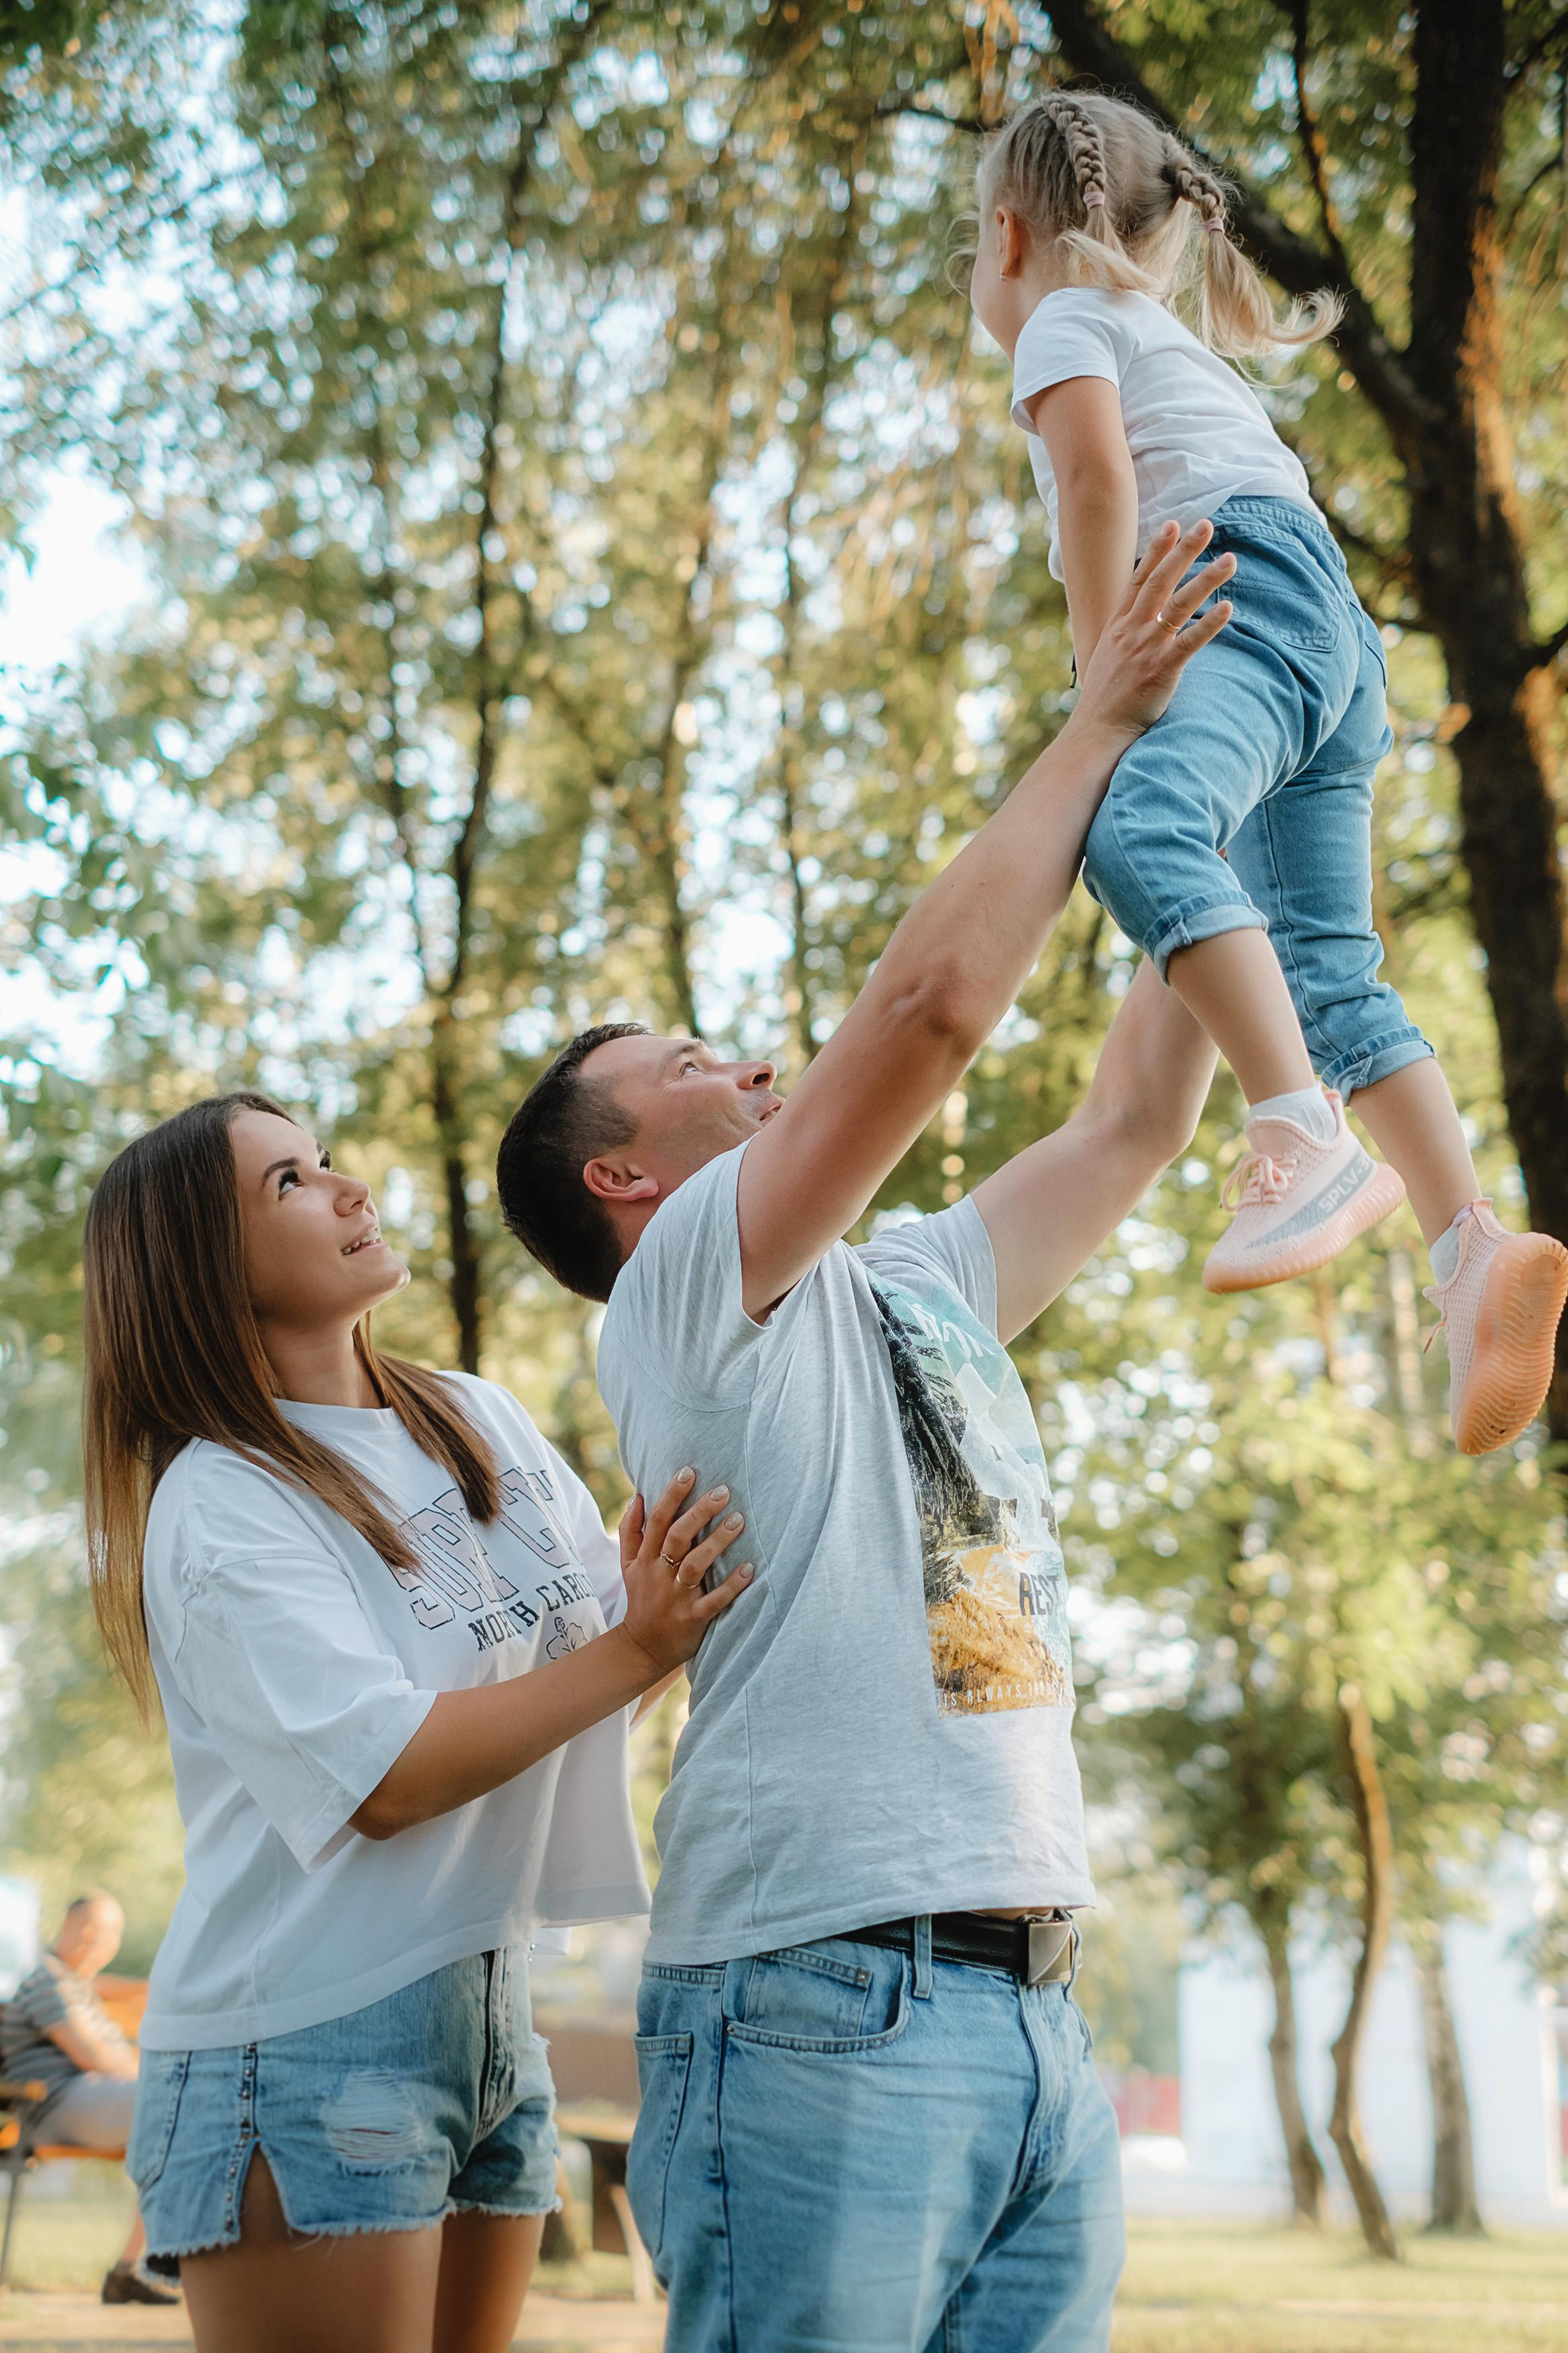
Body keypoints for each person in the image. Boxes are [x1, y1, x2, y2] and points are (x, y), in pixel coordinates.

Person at [493, 526, 1229, 2351]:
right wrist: (1097, 717)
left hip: (1033, 2007)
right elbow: (928, 1012)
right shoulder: (678, 1286)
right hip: (824, 1996)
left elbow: (1134, 1114)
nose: (738, 1057)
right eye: (683, 1059)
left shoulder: (912, 1275)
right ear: (623, 1172)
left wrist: (1225, 794)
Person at [80, 1092, 751, 2353]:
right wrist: (637, 1643)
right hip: (303, 2039)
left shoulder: (469, 1417)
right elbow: (386, 1776)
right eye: (287, 1184)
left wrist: (659, 1623)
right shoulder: (222, 1502)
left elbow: (601, 1660)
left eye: (326, 1160)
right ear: (198, 1265)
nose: (346, 1188)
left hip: (493, 2010)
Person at [968, 88, 1567, 1453]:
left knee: (1137, 828)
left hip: (1228, 590)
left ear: (1007, 237)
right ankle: (1466, 1247)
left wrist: (1103, 685)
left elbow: (1092, 488)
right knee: (1323, 962)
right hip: (1326, 637)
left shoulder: (1061, 316)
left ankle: (1293, 1130)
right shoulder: (1165, 337)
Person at [0, 1892, 176, 2307]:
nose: (106, 1942)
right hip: (51, 2106)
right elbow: (92, 2055)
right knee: (179, 2103)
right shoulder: (48, 1980)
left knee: (184, 2114)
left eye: (113, 1934)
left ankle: (131, 2269)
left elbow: (109, 2057)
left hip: (85, 2100)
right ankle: (141, 2266)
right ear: (80, 1932)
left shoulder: (74, 1984)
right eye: (100, 1931)